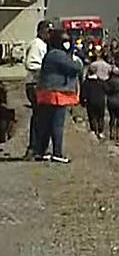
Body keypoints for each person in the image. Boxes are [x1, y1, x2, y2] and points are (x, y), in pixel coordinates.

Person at [34, 30, 82, 163]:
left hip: (46, 93)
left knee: (47, 125)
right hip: (56, 94)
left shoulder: (51, 54)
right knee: (57, 125)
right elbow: (76, 67)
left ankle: (41, 152)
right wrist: (76, 57)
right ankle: (57, 153)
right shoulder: (58, 55)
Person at [23, 20, 52, 158]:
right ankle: (34, 148)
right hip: (35, 84)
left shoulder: (43, 45)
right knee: (39, 117)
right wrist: (46, 70)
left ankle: (38, 148)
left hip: (38, 84)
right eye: (48, 31)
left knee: (41, 117)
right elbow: (31, 64)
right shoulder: (37, 45)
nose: (49, 34)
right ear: (41, 31)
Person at [81, 68, 107, 139]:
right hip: (100, 101)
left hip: (91, 102)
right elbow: (107, 90)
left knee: (92, 117)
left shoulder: (86, 83)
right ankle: (101, 131)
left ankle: (94, 130)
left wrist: (82, 102)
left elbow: (83, 94)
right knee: (101, 117)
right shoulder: (101, 82)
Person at [105, 67, 119, 142]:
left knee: (112, 118)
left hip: (111, 102)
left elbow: (106, 90)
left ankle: (111, 133)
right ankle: (117, 134)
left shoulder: (108, 82)